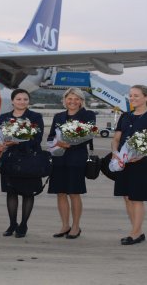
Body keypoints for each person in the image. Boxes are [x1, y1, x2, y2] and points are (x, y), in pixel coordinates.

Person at [111, 85, 147, 245]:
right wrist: (115, 153)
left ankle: (134, 233)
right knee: (127, 197)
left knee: (137, 198)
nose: (132, 98)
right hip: (124, 162)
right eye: (130, 96)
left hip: (142, 163)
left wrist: (141, 155)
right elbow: (116, 139)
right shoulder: (125, 116)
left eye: (136, 95)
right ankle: (137, 231)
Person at [0, 89, 44, 238]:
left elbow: (37, 139)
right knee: (11, 192)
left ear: (29, 101)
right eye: (19, 99)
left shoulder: (35, 117)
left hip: (29, 160)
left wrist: (18, 142)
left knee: (28, 193)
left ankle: (23, 224)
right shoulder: (4, 117)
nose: (22, 102)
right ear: (13, 101)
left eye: (25, 99)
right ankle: (12, 224)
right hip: (9, 160)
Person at [47, 87, 96, 239]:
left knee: (74, 193)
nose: (73, 101)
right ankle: (64, 225)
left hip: (77, 157)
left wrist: (71, 143)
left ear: (81, 101)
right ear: (64, 100)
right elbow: (50, 137)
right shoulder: (58, 116)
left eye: (77, 99)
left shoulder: (88, 115)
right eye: (70, 98)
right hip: (59, 158)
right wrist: (58, 143)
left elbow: (89, 135)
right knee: (60, 193)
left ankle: (75, 226)